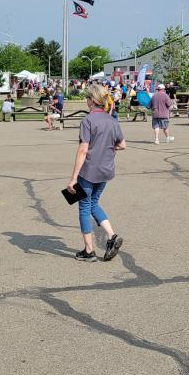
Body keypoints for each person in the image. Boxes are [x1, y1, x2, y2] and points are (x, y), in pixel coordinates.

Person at [66, 83, 126, 262]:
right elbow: (122, 145)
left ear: (91, 100)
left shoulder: (88, 120)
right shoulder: (112, 120)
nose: (86, 100)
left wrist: (73, 178)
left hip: (89, 171)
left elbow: (83, 150)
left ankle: (89, 251)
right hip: (105, 170)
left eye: (87, 98)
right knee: (93, 203)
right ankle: (112, 236)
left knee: (84, 207)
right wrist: (107, 148)